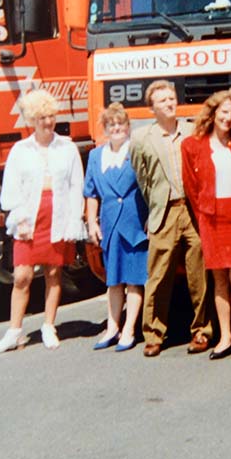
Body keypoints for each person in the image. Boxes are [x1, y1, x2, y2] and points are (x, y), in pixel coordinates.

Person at [0, 89, 84, 355]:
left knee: (54, 272)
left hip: (58, 214)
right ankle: (14, 331)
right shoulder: (20, 150)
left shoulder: (67, 147)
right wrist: (17, 216)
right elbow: (11, 188)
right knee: (22, 276)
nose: (47, 122)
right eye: (42, 117)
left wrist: (75, 219)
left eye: (51, 116)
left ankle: (48, 325)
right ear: (32, 119)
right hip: (30, 216)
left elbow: (77, 184)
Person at [130, 80, 213, 357]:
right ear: (152, 107)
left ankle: (202, 331)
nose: (169, 103)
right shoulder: (142, 138)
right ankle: (153, 334)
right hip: (164, 212)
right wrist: (155, 206)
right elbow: (143, 179)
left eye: (172, 98)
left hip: (191, 211)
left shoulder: (192, 131)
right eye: (163, 100)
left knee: (198, 274)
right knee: (158, 275)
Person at [182, 88, 231, 361]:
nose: (229, 118)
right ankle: (225, 337)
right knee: (219, 278)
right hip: (211, 217)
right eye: (224, 112)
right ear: (213, 112)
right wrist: (204, 213)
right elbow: (191, 186)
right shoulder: (192, 145)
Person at [84, 103, 149, 352]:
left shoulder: (137, 151)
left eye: (121, 124)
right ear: (106, 128)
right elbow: (90, 193)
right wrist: (92, 222)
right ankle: (112, 327)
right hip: (110, 225)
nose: (117, 128)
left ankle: (130, 329)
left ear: (128, 127)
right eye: (112, 124)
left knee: (134, 280)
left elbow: (149, 187)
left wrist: (151, 218)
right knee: (113, 281)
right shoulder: (95, 156)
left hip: (134, 224)